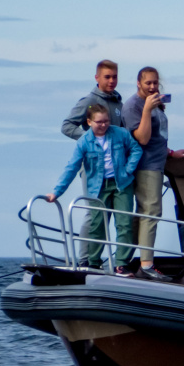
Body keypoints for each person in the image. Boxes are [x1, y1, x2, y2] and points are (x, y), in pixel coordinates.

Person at [44, 103, 142, 273]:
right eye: (99, 122)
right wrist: (56, 192)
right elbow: (72, 168)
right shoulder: (84, 142)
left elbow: (136, 150)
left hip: (121, 184)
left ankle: (121, 264)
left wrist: (127, 170)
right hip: (98, 188)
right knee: (97, 225)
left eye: (106, 121)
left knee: (124, 224)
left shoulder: (120, 133)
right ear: (89, 122)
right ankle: (93, 262)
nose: (103, 125)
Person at [124, 67, 184, 281]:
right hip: (145, 166)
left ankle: (123, 259)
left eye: (155, 83)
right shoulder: (134, 106)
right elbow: (142, 139)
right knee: (151, 213)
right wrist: (146, 110)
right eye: (148, 83)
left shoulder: (156, 104)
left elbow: (157, 138)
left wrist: (171, 153)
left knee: (144, 214)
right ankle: (146, 265)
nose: (152, 87)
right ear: (138, 83)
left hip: (158, 162)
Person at [62, 60, 123, 139]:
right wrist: (91, 138)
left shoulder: (119, 104)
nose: (111, 81)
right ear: (97, 78)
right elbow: (66, 126)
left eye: (114, 77)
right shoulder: (89, 101)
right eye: (107, 77)